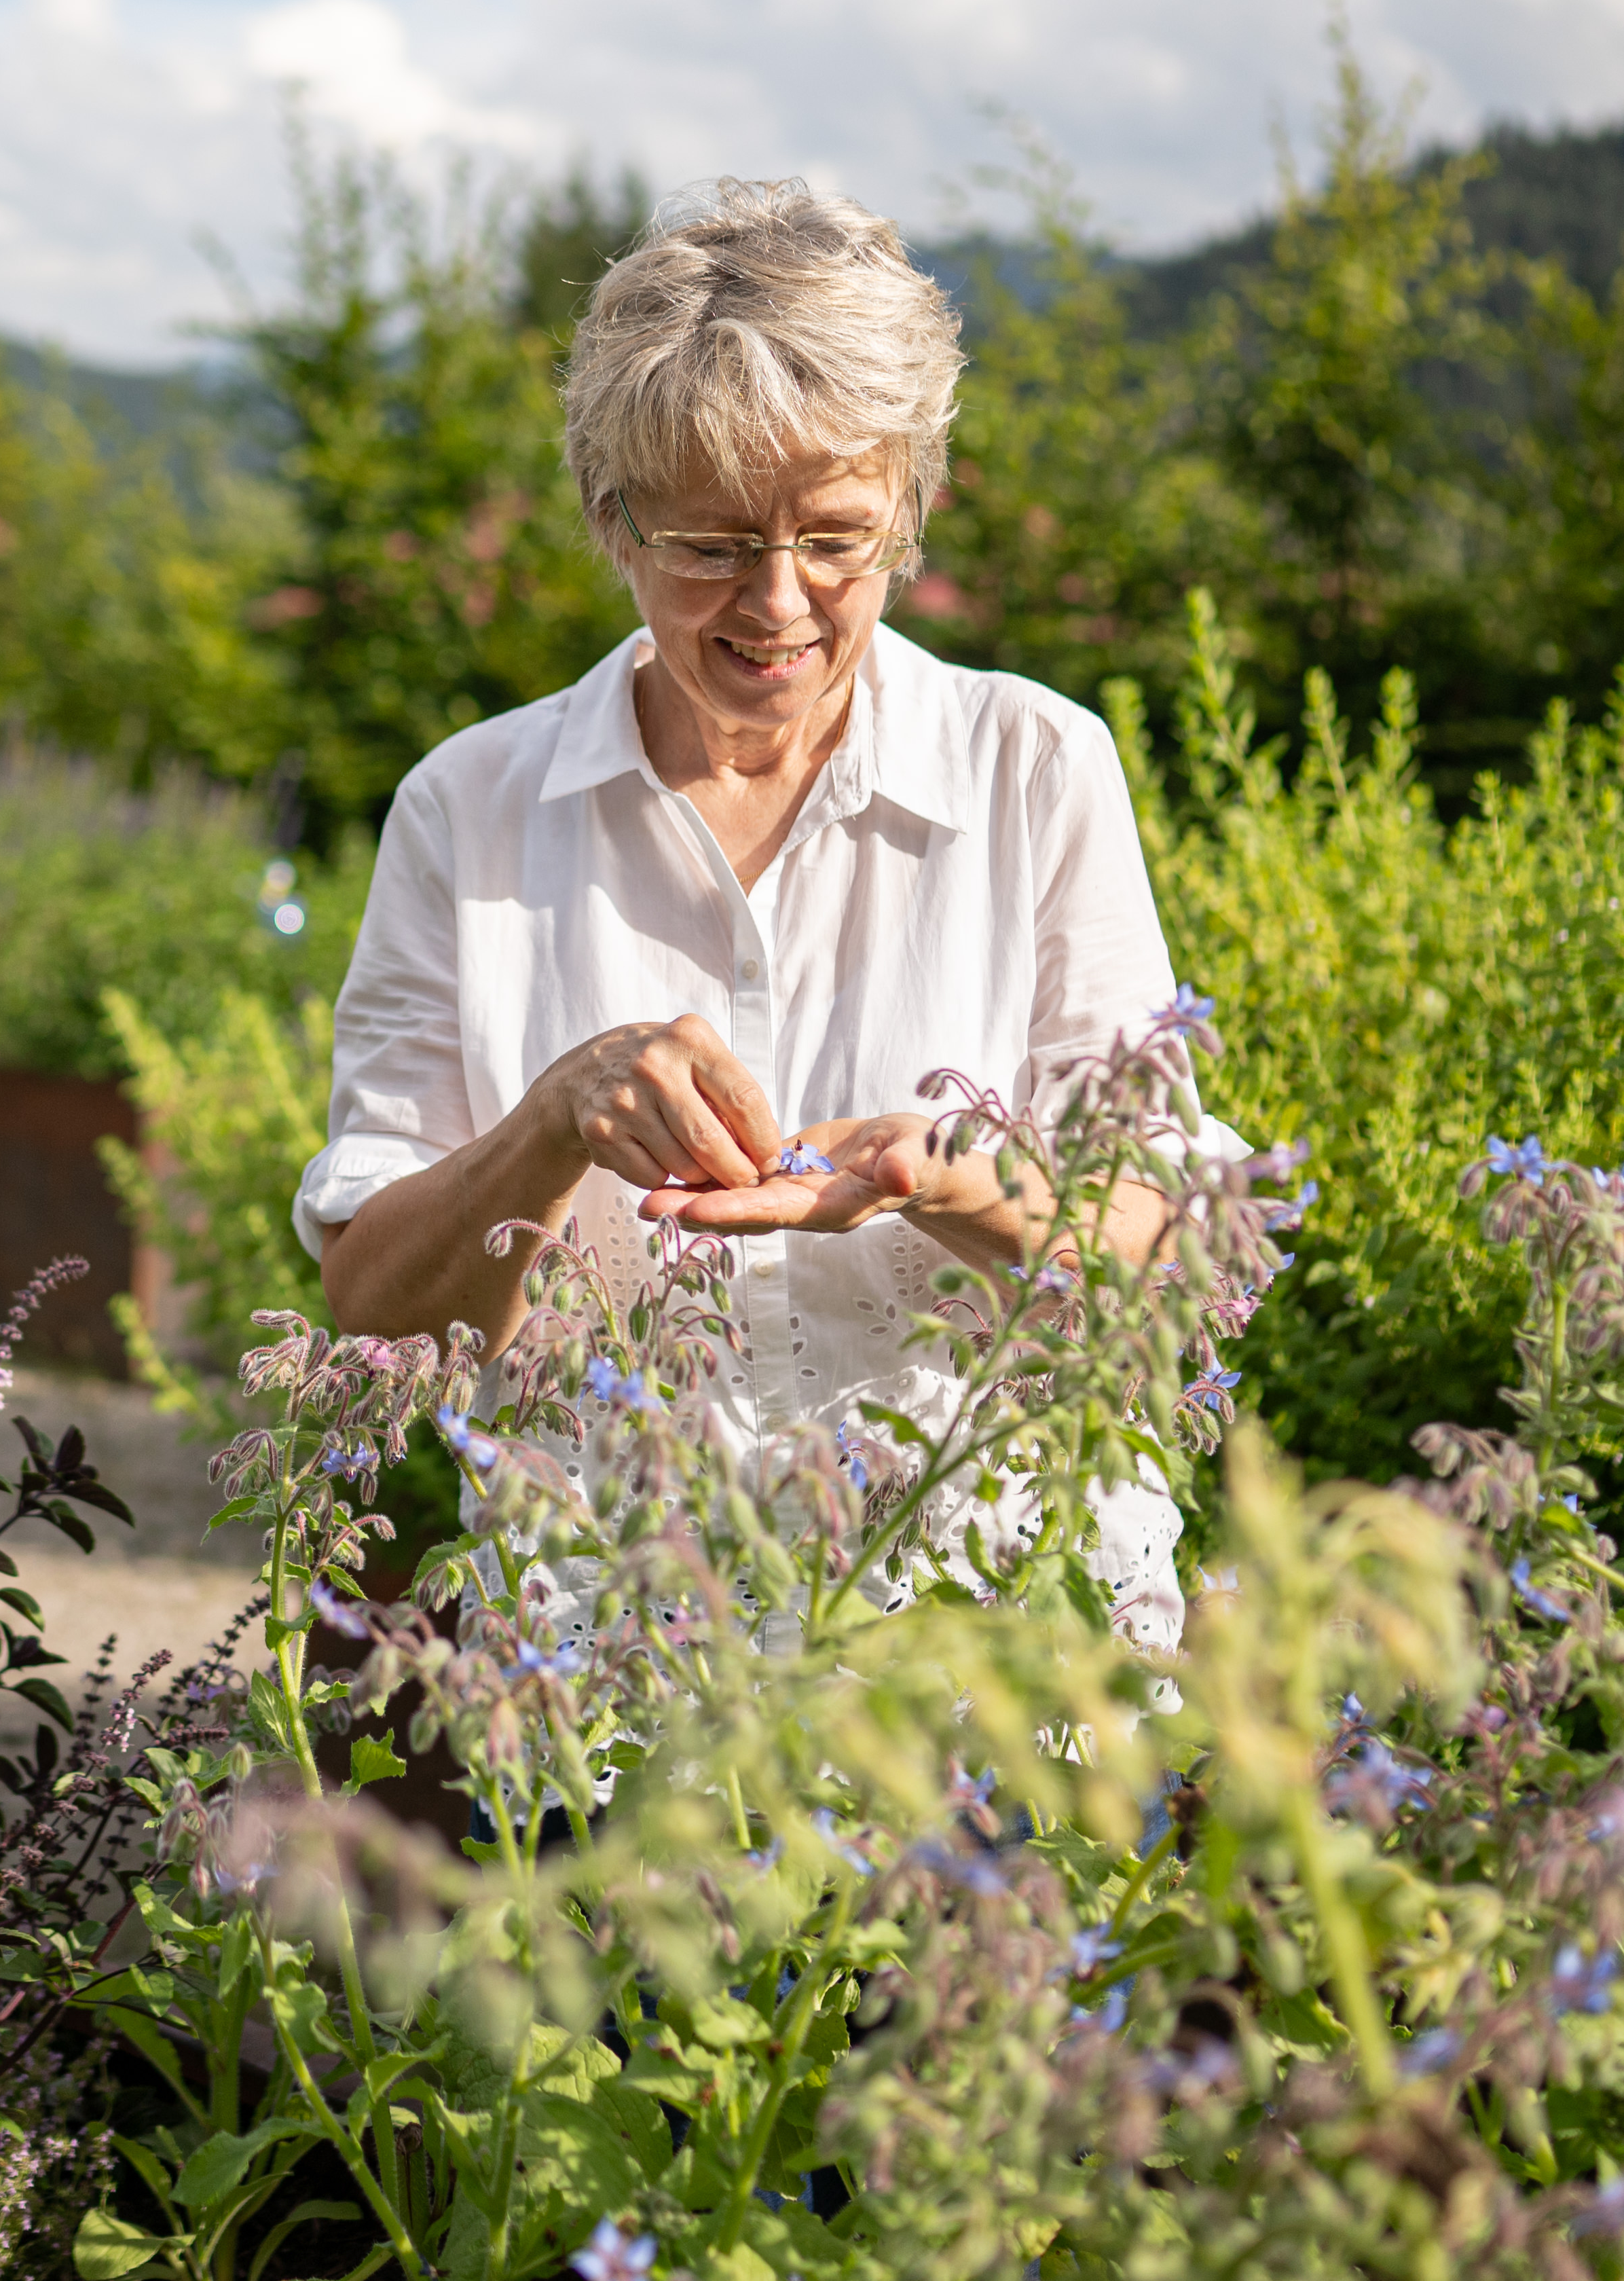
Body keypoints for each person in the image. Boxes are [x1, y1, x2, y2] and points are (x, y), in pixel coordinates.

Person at [296, 176, 1205, 1640]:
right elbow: (380, 1306)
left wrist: (946, 1174)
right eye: (713, 545)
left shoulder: (1036, 768)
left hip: (992, 1637)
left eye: (837, 540)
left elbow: (1161, 1253)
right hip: (619, 1656)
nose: (780, 605)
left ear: (909, 510)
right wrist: (548, 1124)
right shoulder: (467, 812)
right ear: (613, 522)